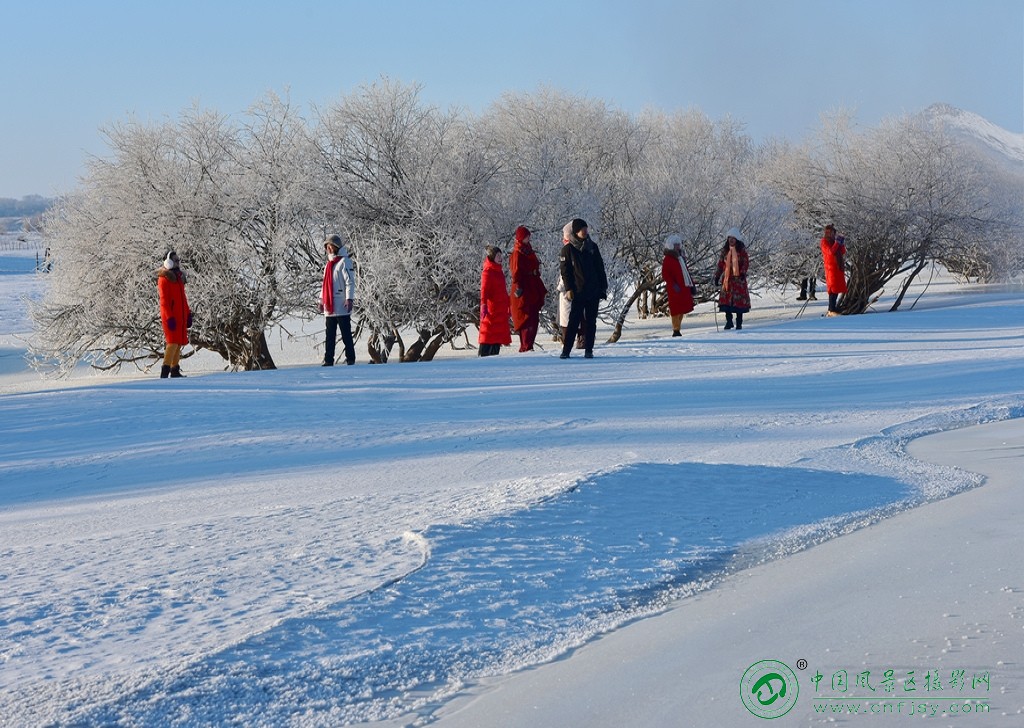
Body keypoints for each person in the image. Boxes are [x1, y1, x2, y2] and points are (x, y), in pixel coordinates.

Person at [559, 218, 608, 359]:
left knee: (591, 322)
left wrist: (603, 287)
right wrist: (569, 289)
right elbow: (565, 272)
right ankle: (566, 350)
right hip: (577, 292)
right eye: (582, 229)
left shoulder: (592, 247)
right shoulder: (567, 250)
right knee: (573, 321)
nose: (585, 231)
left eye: (586, 229)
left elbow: (600, 268)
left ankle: (589, 349)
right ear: (575, 231)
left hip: (593, 291)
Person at [508, 226, 547, 352]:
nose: (528, 238)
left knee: (533, 316)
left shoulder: (528, 250)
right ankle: (526, 345)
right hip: (524, 287)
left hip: (533, 285)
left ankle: (529, 344)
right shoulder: (517, 253)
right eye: (526, 236)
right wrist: (518, 287)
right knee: (526, 316)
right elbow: (516, 272)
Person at [320, 234, 356, 366]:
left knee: (346, 334)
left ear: (335, 247)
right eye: (327, 247)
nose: (328, 249)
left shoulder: (344, 262)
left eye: (330, 246)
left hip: (341, 305)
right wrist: (321, 301)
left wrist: (349, 298)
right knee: (329, 335)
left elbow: (350, 282)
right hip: (329, 306)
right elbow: (324, 285)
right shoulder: (328, 265)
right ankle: (329, 359)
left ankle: (350, 358)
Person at [156, 250, 192, 378]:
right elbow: (164, 302)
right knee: (172, 343)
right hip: (170, 316)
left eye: (178, 260)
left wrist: (188, 314)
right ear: (168, 262)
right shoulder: (164, 279)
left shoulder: (178, 278)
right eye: (175, 261)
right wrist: (169, 317)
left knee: (178, 343)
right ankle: (165, 371)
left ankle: (175, 369)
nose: (178, 263)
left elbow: (183, 299)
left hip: (180, 315)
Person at [713, 227, 751, 331]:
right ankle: (729, 321)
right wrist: (717, 276)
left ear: (737, 239)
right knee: (726, 303)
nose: (731, 240)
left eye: (733, 238)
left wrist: (742, 273)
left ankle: (739, 323)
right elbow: (721, 264)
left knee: (739, 303)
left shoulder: (741, 251)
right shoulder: (725, 251)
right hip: (727, 280)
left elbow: (745, 262)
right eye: (730, 238)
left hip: (738, 281)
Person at [478, 245, 512, 356]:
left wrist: (508, 304)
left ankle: (494, 357)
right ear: (492, 257)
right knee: (488, 336)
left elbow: (502, 290)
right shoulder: (487, 272)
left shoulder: (499, 271)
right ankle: (483, 357)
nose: (500, 258)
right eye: (498, 255)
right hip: (491, 311)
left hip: (500, 310)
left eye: (501, 255)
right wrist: (483, 305)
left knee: (497, 338)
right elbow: (484, 290)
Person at [660, 234, 696, 337]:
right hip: (674, 289)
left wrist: (692, 284)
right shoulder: (668, 259)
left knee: (681, 309)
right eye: (676, 245)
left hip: (684, 287)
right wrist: (673, 284)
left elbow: (686, 272)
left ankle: (677, 328)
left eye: (678, 244)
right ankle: (676, 329)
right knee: (675, 309)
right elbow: (665, 274)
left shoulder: (681, 258)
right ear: (671, 245)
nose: (678, 246)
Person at [820, 223, 847, 316]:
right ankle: (831, 309)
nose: (833, 235)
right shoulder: (824, 242)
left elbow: (842, 251)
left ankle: (832, 308)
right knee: (832, 288)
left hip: (837, 267)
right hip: (831, 268)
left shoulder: (834, 241)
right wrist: (837, 243)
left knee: (837, 288)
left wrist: (841, 243)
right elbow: (830, 252)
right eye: (831, 233)